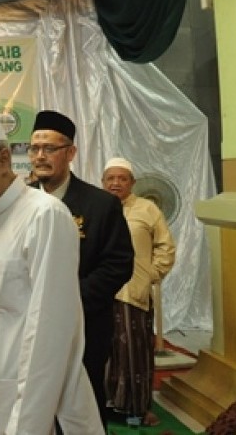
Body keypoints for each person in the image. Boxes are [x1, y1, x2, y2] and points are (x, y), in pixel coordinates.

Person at [0, 113, 101, 434]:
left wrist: (27, 426)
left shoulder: (45, 216)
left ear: (3, 159)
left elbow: (49, 336)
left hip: (29, 408)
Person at [28, 110, 134, 427]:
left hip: (83, 328)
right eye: (34, 148)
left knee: (80, 413)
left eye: (50, 148)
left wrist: (67, 302)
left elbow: (118, 264)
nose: (40, 156)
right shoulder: (19, 202)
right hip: (27, 330)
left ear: (70, 153)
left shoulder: (100, 204)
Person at [101, 157, 176, 427]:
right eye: (111, 178)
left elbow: (166, 247)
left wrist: (151, 275)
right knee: (103, 351)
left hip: (133, 292)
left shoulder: (147, 209)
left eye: (122, 178)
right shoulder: (97, 207)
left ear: (132, 183)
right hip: (101, 292)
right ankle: (105, 406)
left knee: (136, 351)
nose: (116, 183)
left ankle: (138, 407)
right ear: (103, 181)